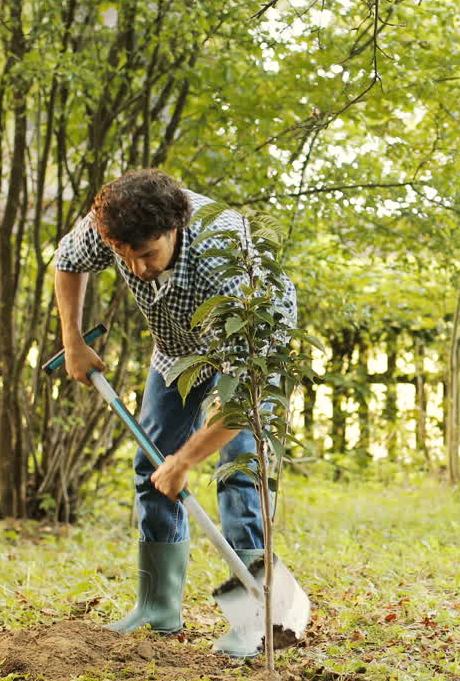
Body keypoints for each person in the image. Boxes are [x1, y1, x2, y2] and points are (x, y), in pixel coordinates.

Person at [52, 168, 297, 641]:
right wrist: (73, 339)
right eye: (124, 256)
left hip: (248, 349)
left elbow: (244, 397)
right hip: (177, 348)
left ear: (173, 229)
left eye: (147, 254)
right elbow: (67, 259)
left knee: (238, 471)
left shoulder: (226, 256)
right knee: (151, 464)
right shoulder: (115, 225)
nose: (138, 269)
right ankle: (157, 606)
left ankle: (256, 622)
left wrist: (185, 461)